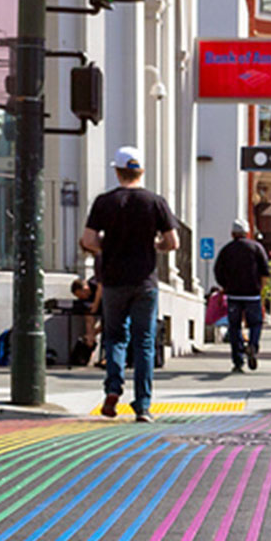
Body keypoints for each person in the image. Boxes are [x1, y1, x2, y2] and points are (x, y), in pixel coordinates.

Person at [82, 146, 178, 422]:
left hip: (113, 281)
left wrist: (108, 246)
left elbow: (89, 240)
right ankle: (143, 404)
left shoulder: (104, 202)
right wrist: (155, 246)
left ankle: (113, 389)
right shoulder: (155, 202)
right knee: (145, 341)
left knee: (114, 337)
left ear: (117, 171)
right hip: (145, 281)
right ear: (142, 171)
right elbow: (173, 242)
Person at [213, 219, 270, 373]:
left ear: (232, 234)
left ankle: (238, 360)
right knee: (255, 324)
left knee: (234, 327)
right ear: (247, 233)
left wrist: (225, 287)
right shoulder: (257, 248)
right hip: (252, 294)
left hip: (233, 294)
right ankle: (252, 345)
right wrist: (260, 290)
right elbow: (265, 272)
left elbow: (218, 271)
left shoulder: (226, 250)